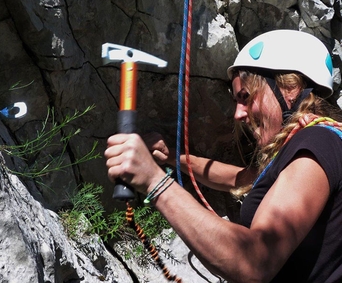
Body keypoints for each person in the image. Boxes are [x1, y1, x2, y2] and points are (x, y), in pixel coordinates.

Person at [105, 29, 342, 282]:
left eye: (246, 97)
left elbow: (254, 262)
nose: (239, 114)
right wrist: (172, 159)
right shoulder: (306, 149)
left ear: (290, 89)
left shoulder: (316, 146)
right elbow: (239, 178)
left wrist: (155, 181)